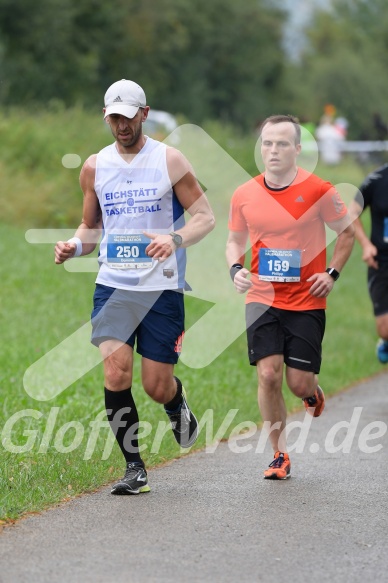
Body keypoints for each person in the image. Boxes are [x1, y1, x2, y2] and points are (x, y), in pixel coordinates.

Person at [54, 79, 215, 494]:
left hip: (162, 288)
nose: (121, 126)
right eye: (114, 118)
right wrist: (74, 245)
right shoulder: (94, 166)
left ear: (144, 114)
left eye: (128, 117)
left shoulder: (169, 160)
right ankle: (135, 469)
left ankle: (176, 402)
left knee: (155, 384)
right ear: (105, 117)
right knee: (115, 372)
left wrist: (175, 239)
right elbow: (91, 228)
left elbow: (204, 216)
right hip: (114, 285)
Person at [226, 114, 354, 479]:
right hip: (262, 298)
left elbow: (345, 233)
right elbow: (234, 240)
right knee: (268, 375)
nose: (273, 150)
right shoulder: (245, 193)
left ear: (298, 149)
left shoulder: (319, 190)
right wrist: (236, 269)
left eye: (282, 143)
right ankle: (279, 454)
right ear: (260, 148)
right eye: (267, 143)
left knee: (298, 383)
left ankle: (311, 392)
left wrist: (331, 273)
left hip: (306, 300)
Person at [350, 163, 388, 363]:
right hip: (381, 261)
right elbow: (351, 213)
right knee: (384, 329)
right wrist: (365, 245)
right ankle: (385, 341)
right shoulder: (376, 180)